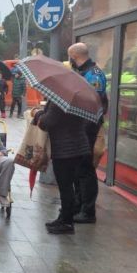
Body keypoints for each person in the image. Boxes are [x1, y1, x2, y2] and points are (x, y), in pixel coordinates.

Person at [35, 100, 92, 234]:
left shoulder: (59, 101)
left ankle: (66, 222)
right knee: (69, 185)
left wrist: (38, 115)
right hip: (77, 146)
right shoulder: (78, 101)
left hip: (66, 150)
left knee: (65, 186)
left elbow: (46, 123)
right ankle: (64, 218)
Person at [68, 42, 107, 223]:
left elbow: (92, 100)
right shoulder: (82, 72)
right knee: (76, 168)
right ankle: (77, 205)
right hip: (79, 125)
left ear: (75, 56)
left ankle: (88, 211)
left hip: (88, 126)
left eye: (71, 57)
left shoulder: (94, 74)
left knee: (85, 168)